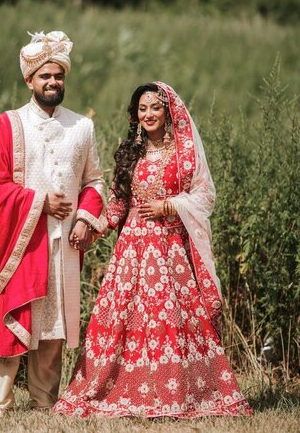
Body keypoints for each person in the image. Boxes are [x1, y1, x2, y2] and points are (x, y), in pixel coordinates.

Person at [53, 82, 252, 418]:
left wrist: (169, 206)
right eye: (142, 109)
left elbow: (206, 198)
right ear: (135, 115)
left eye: (155, 108)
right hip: (130, 254)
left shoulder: (184, 155)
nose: (148, 114)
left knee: (171, 319)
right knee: (121, 322)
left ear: (168, 111)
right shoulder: (129, 152)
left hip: (170, 251)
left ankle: (176, 391)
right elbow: (118, 203)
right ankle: (114, 389)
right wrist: (96, 227)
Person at [0, 31, 106, 416]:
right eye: (44, 76)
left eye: (58, 76)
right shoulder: (8, 123)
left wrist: (85, 219)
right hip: (21, 239)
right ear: (29, 80)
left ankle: (44, 402)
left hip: (65, 241)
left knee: (54, 324)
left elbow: (94, 181)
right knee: (13, 315)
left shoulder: (82, 127)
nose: (53, 82)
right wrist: (40, 201)